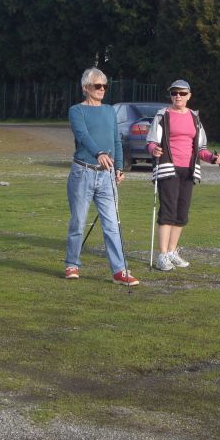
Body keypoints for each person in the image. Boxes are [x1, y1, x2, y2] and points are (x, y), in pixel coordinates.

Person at [64, 67, 139, 286]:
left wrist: (119, 167)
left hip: (106, 176)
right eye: (98, 86)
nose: (102, 89)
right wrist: (99, 153)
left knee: (112, 224)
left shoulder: (109, 111)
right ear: (86, 87)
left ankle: (120, 270)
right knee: (78, 222)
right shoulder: (76, 111)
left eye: (105, 86)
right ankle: (72, 264)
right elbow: (82, 135)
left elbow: (116, 140)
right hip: (83, 172)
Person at [146, 79, 220, 271]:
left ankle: (172, 252)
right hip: (167, 169)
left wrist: (212, 158)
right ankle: (162, 255)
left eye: (182, 93)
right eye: (174, 93)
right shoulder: (163, 115)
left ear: (189, 96)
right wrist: (154, 149)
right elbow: (151, 141)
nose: (177, 96)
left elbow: (201, 148)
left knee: (181, 212)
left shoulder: (195, 118)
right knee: (168, 211)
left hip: (188, 171)